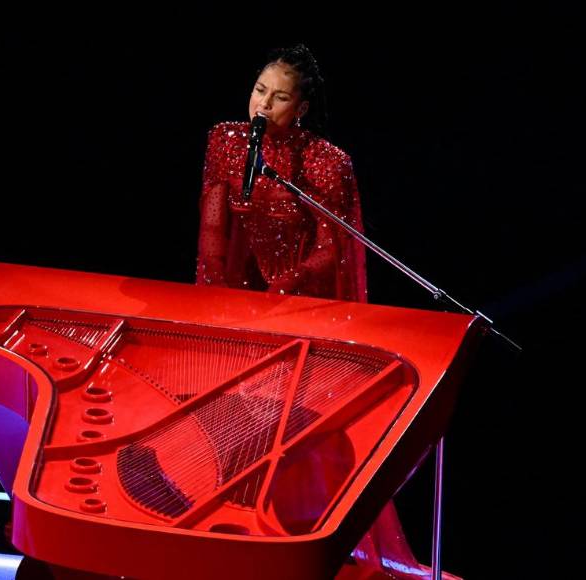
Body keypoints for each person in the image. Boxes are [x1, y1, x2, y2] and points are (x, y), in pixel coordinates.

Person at [196, 44, 458, 580]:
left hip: (300, 308)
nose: (264, 105)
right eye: (259, 90)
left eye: (280, 97)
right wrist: (216, 304)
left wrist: (282, 293)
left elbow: (330, 249)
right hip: (241, 305)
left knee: (289, 438)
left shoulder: (324, 161)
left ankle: (291, 542)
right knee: (230, 425)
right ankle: (226, 536)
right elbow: (213, 228)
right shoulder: (225, 140)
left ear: (303, 107)